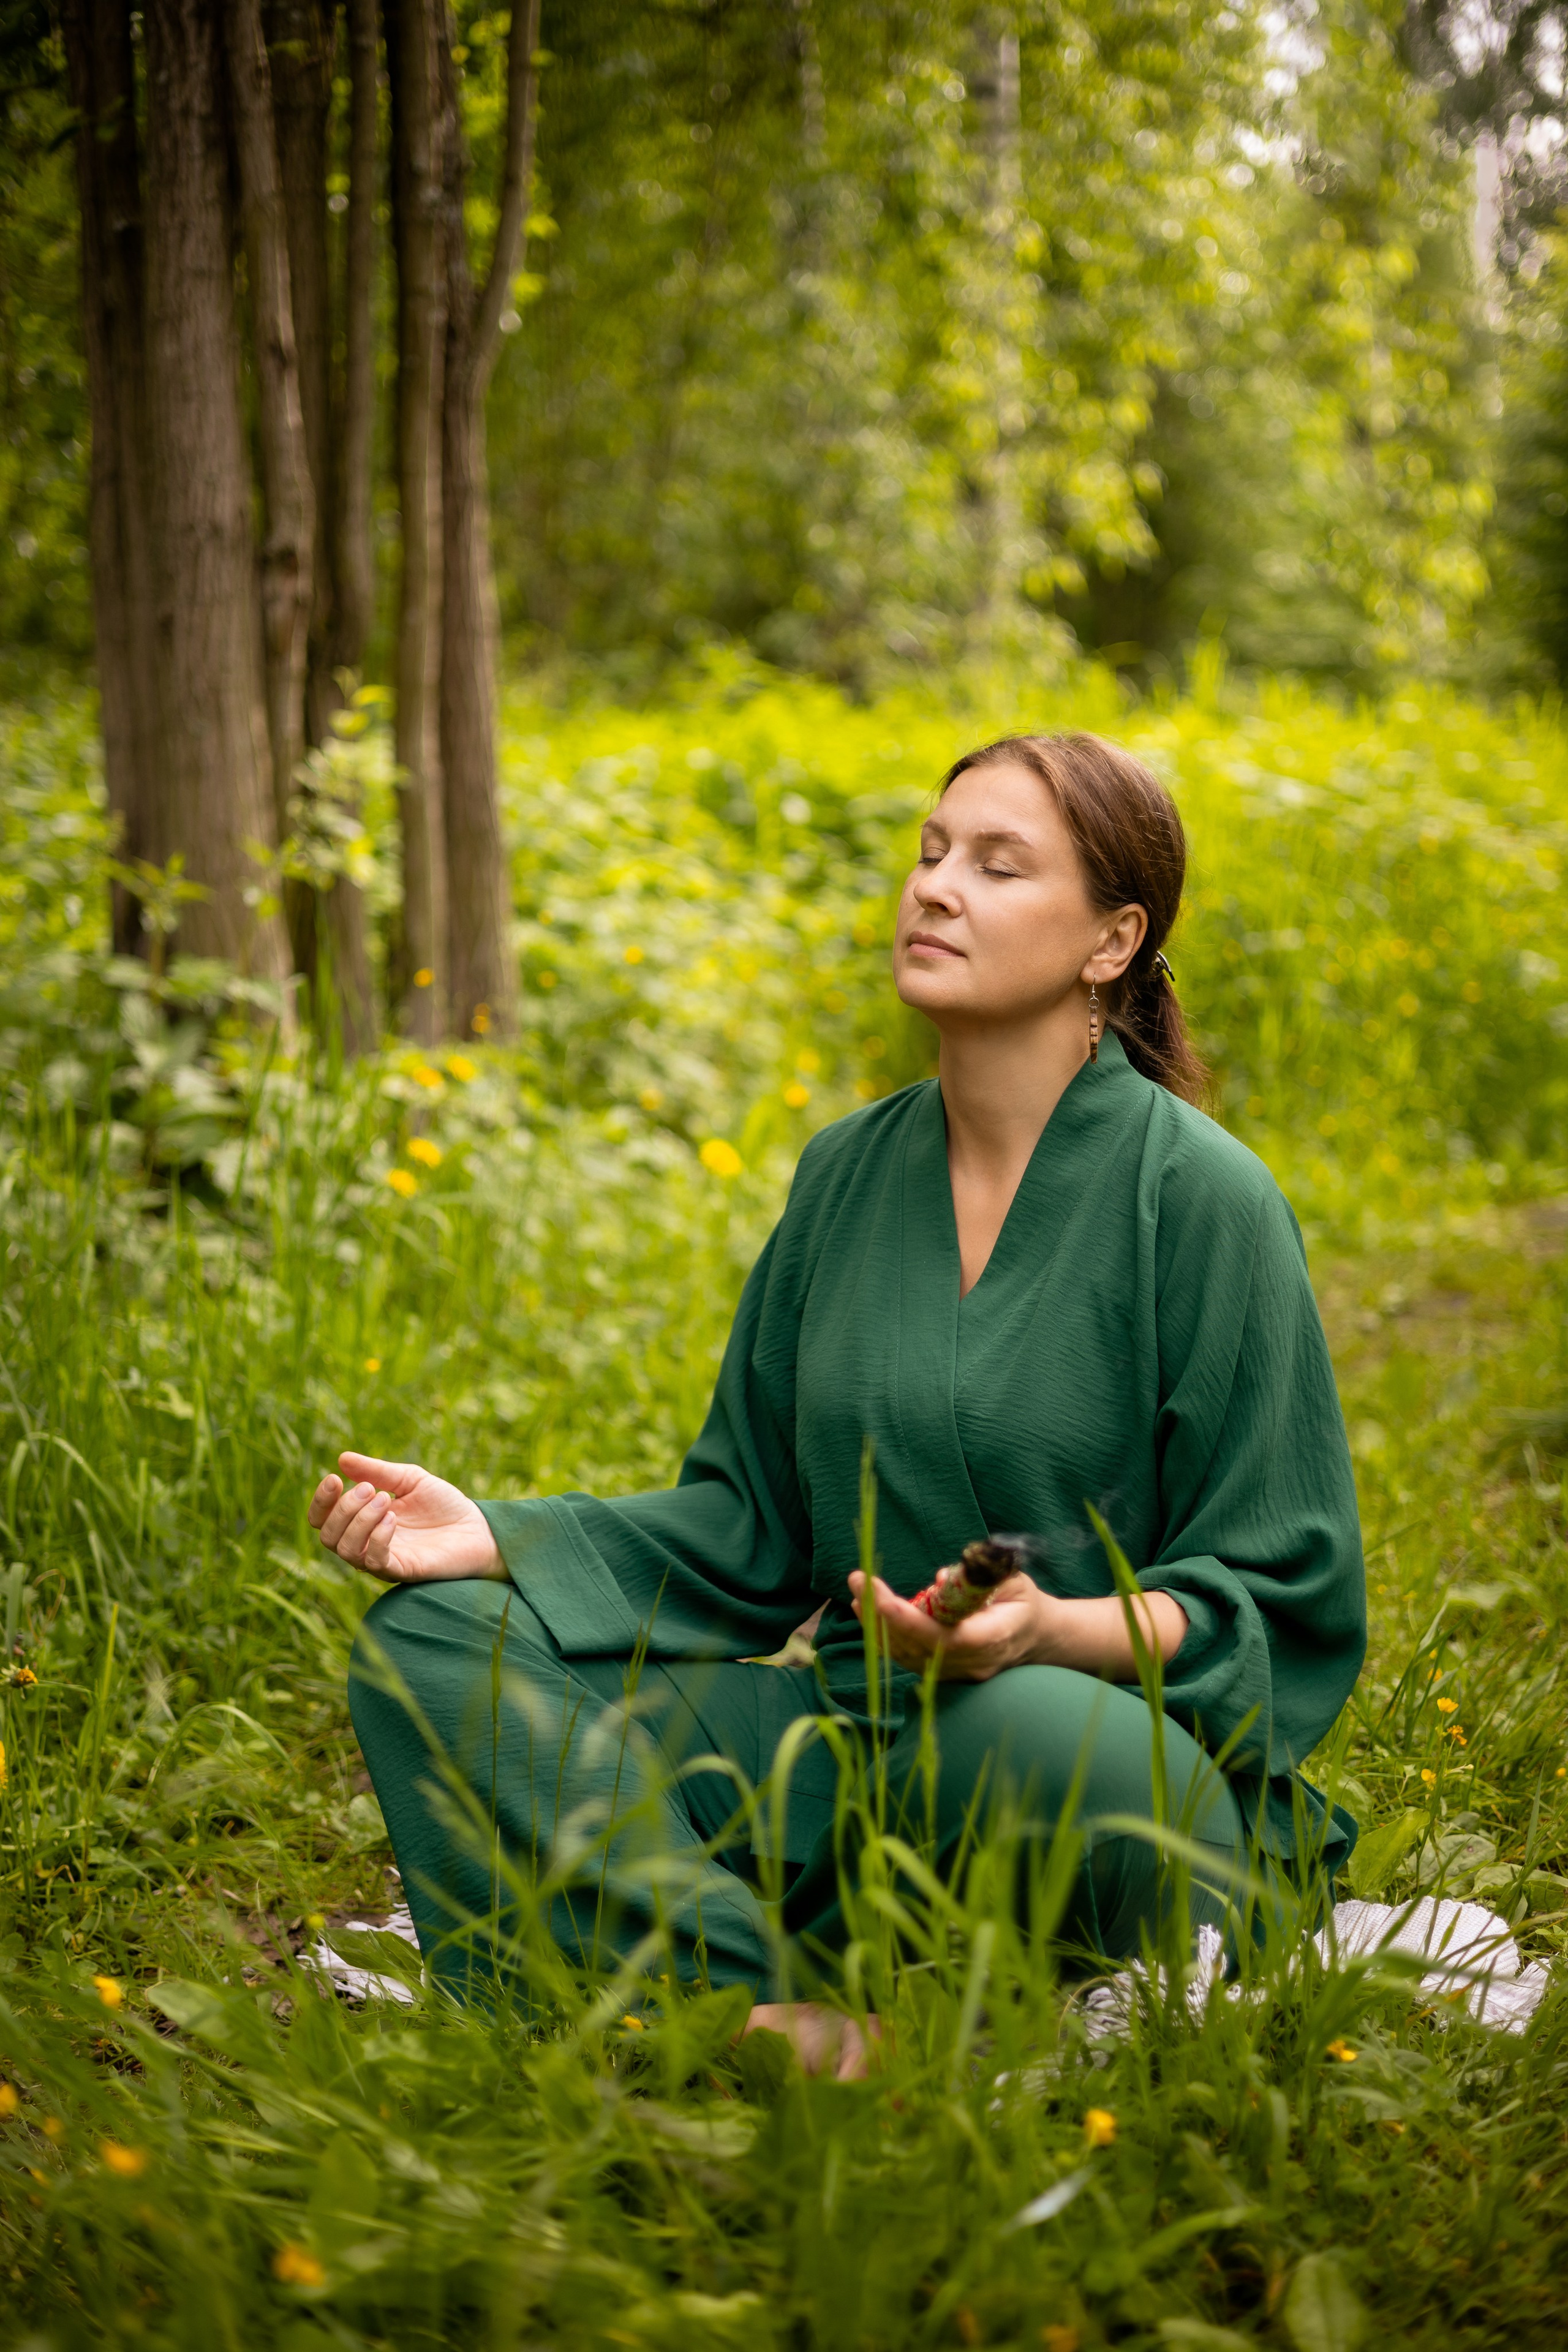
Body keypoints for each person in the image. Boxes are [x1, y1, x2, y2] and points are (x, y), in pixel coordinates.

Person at [311, 733, 1365, 2071]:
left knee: (1029, 1730)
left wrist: (1052, 1631)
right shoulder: (844, 1176)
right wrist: (498, 1541)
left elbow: (1284, 1589)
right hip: (852, 1744)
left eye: (995, 864)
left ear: (1111, 941)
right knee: (438, 1646)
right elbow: (748, 1523)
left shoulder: (1199, 1201)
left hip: (1089, 1754)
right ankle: (740, 2009)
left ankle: (652, 1944)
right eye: (930, 852)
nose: (934, 888)